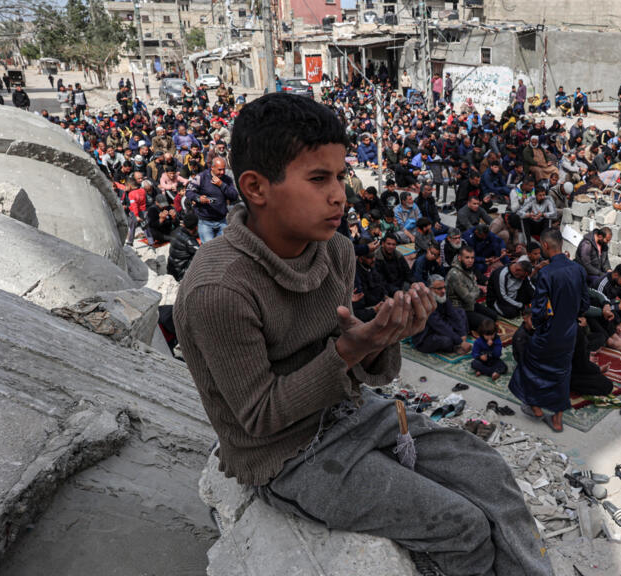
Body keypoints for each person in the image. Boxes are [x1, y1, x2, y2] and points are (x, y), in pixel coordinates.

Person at [172, 94, 550, 576]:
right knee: (464, 527)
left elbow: (365, 374)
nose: (340, 195)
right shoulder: (219, 290)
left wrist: (381, 338)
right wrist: (351, 349)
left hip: (349, 413)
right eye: (319, 179)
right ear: (256, 187)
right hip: (287, 456)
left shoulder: (335, 251)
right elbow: (259, 417)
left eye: (340, 175)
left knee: (488, 472)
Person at [509, 229, 588, 433]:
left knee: (529, 364)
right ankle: (557, 419)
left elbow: (539, 309)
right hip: (569, 331)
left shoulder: (546, 273)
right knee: (562, 372)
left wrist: (538, 323)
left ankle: (535, 407)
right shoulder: (578, 269)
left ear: (545, 245)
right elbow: (585, 303)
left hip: (549, 330)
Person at [412, 274, 471, 356]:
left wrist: (462, 334)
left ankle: (458, 341)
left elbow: (453, 315)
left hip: (440, 328)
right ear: (430, 289)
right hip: (426, 336)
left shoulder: (442, 296)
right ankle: (455, 347)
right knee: (447, 340)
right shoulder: (426, 304)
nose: (443, 291)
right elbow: (439, 325)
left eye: (444, 287)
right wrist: (460, 341)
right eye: (439, 288)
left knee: (460, 312)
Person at [186, 157, 239, 243]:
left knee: (224, 246)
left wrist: (222, 185)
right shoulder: (201, 177)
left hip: (222, 220)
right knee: (208, 247)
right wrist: (198, 198)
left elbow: (234, 196)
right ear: (212, 167)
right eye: (219, 170)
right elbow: (188, 191)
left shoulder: (226, 179)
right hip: (205, 222)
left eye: (223, 169)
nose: (222, 172)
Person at [446, 245, 499, 332]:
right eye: (467, 257)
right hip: (459, 308)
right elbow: (468, 298)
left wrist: (476, 290)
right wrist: (480, 291)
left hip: (470, 304)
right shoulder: (455, 274)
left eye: (472, 258)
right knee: (488, 323)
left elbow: (474, 287)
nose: (470, 261)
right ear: (459, 258)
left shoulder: (468, 268)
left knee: (494, 316)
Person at [167, 212, 200, 281]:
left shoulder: (176, 230)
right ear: (196, 227)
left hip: (171, 269)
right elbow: (202, 254)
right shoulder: (190, 241)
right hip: (182, 274)